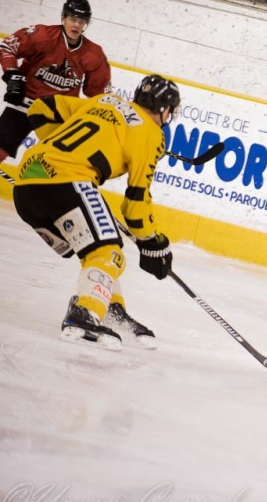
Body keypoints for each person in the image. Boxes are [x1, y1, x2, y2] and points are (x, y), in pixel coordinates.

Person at [11, 74, 180, 351]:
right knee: (108, 252)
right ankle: (84, 312)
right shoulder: (152, 135)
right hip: (67, 183)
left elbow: (40, 108)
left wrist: (56, 152)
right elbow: (135, 207)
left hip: (26, 185)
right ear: (164, 110)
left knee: (93, 250)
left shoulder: (106, 100)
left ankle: (110, 308)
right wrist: (154, 242)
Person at [0, 0, 111, 164]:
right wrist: (11, 74)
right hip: (25, 103)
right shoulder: (42, 35)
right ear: (63, 18)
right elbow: (8, 47)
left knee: (55, 163)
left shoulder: (93, 54)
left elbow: (97, 91)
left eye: (81, 21)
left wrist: (104, 111)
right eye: (73, 19)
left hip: (59, 113)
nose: (77, 25)